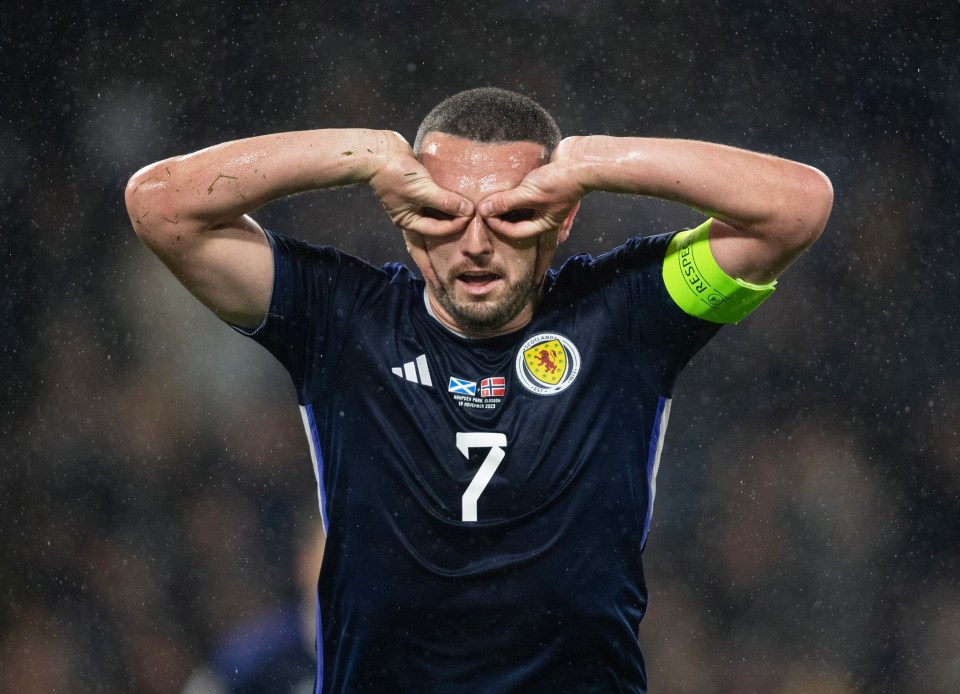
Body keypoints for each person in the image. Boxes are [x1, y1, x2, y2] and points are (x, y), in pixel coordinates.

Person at [125, 87, 832, 693]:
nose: (475, 243)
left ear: (563, 214)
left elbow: (797, 206)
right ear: (402, 215)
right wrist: (367, 153)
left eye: (510, 213)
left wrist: (590, 162)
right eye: (444, 212)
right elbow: (161, 205)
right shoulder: (340, 319)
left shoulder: (624, 316)